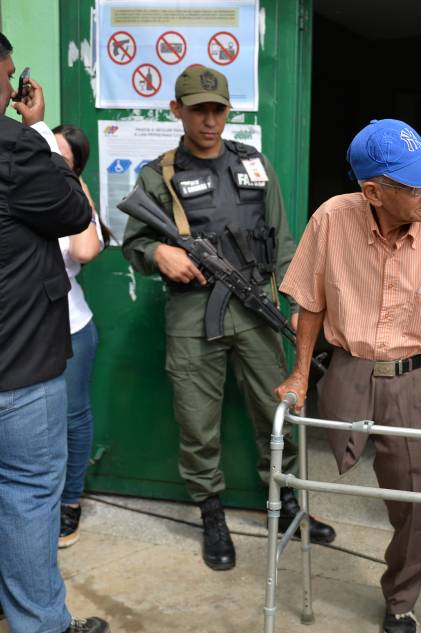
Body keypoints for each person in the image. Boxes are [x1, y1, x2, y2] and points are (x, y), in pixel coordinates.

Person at [274, 118, 421, 633]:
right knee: (322, 470)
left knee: (412, 501)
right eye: (416, 185)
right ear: (372, 191)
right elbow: (309, 302)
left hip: (415, 377)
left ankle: (401, 598)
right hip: (348, 368)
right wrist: (299, 374)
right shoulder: (332, 218)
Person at [121, 65, 335, 572]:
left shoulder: (253, 163)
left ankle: (285, 505)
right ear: (177, 110)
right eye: (198, 110)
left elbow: (284, 239)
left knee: (276, 410)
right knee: (197, 420)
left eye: (217, 110)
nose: (209, 120)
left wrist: (295, 299)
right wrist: (159, 255)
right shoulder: (160, 173)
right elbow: (135, 243)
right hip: (194, 312)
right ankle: (212, 513)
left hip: (257, 304)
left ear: (228, 112)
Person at [0, 31, 110, 633]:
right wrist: (35, 129)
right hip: (17, 361)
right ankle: (40, 628)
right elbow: (73, 212)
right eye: (9, 74)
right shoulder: (16, 149)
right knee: (27, 488)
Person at [52, 124, 104, 549]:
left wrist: (72, 184)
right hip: (22, 333)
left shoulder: (74, 203)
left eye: (62, 158)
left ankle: (71, 502)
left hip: (71, 327)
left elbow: (85, 252)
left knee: (72, 417)